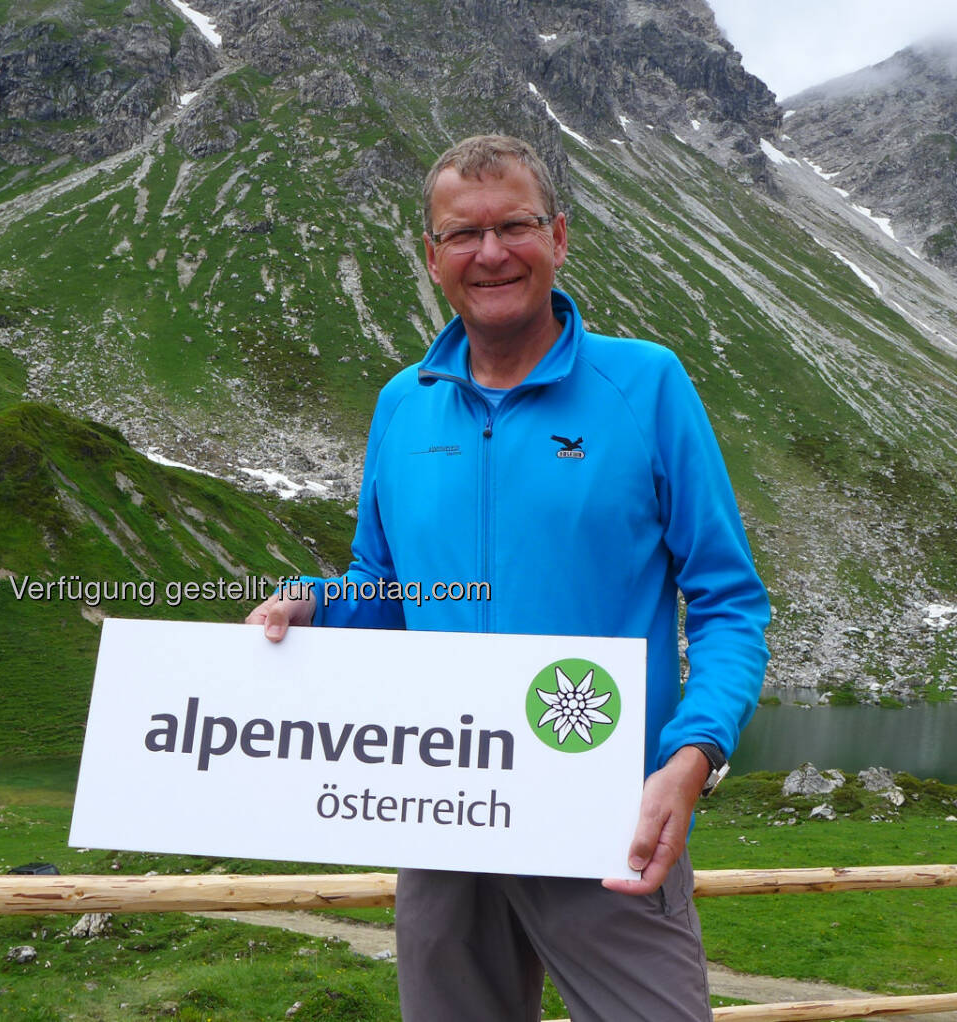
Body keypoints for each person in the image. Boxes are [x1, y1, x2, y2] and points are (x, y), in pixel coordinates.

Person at [246, 134, 769, 1020]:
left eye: (514, 226)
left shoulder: (645, 385)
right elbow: (387, 584)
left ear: (558, 238)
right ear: (433, 258)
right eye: (463, 234)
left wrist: (694, 756)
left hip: (608, 815)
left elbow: (728, 600)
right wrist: (319, 601)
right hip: (443, 811)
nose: (490, 253)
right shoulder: (402, 403)